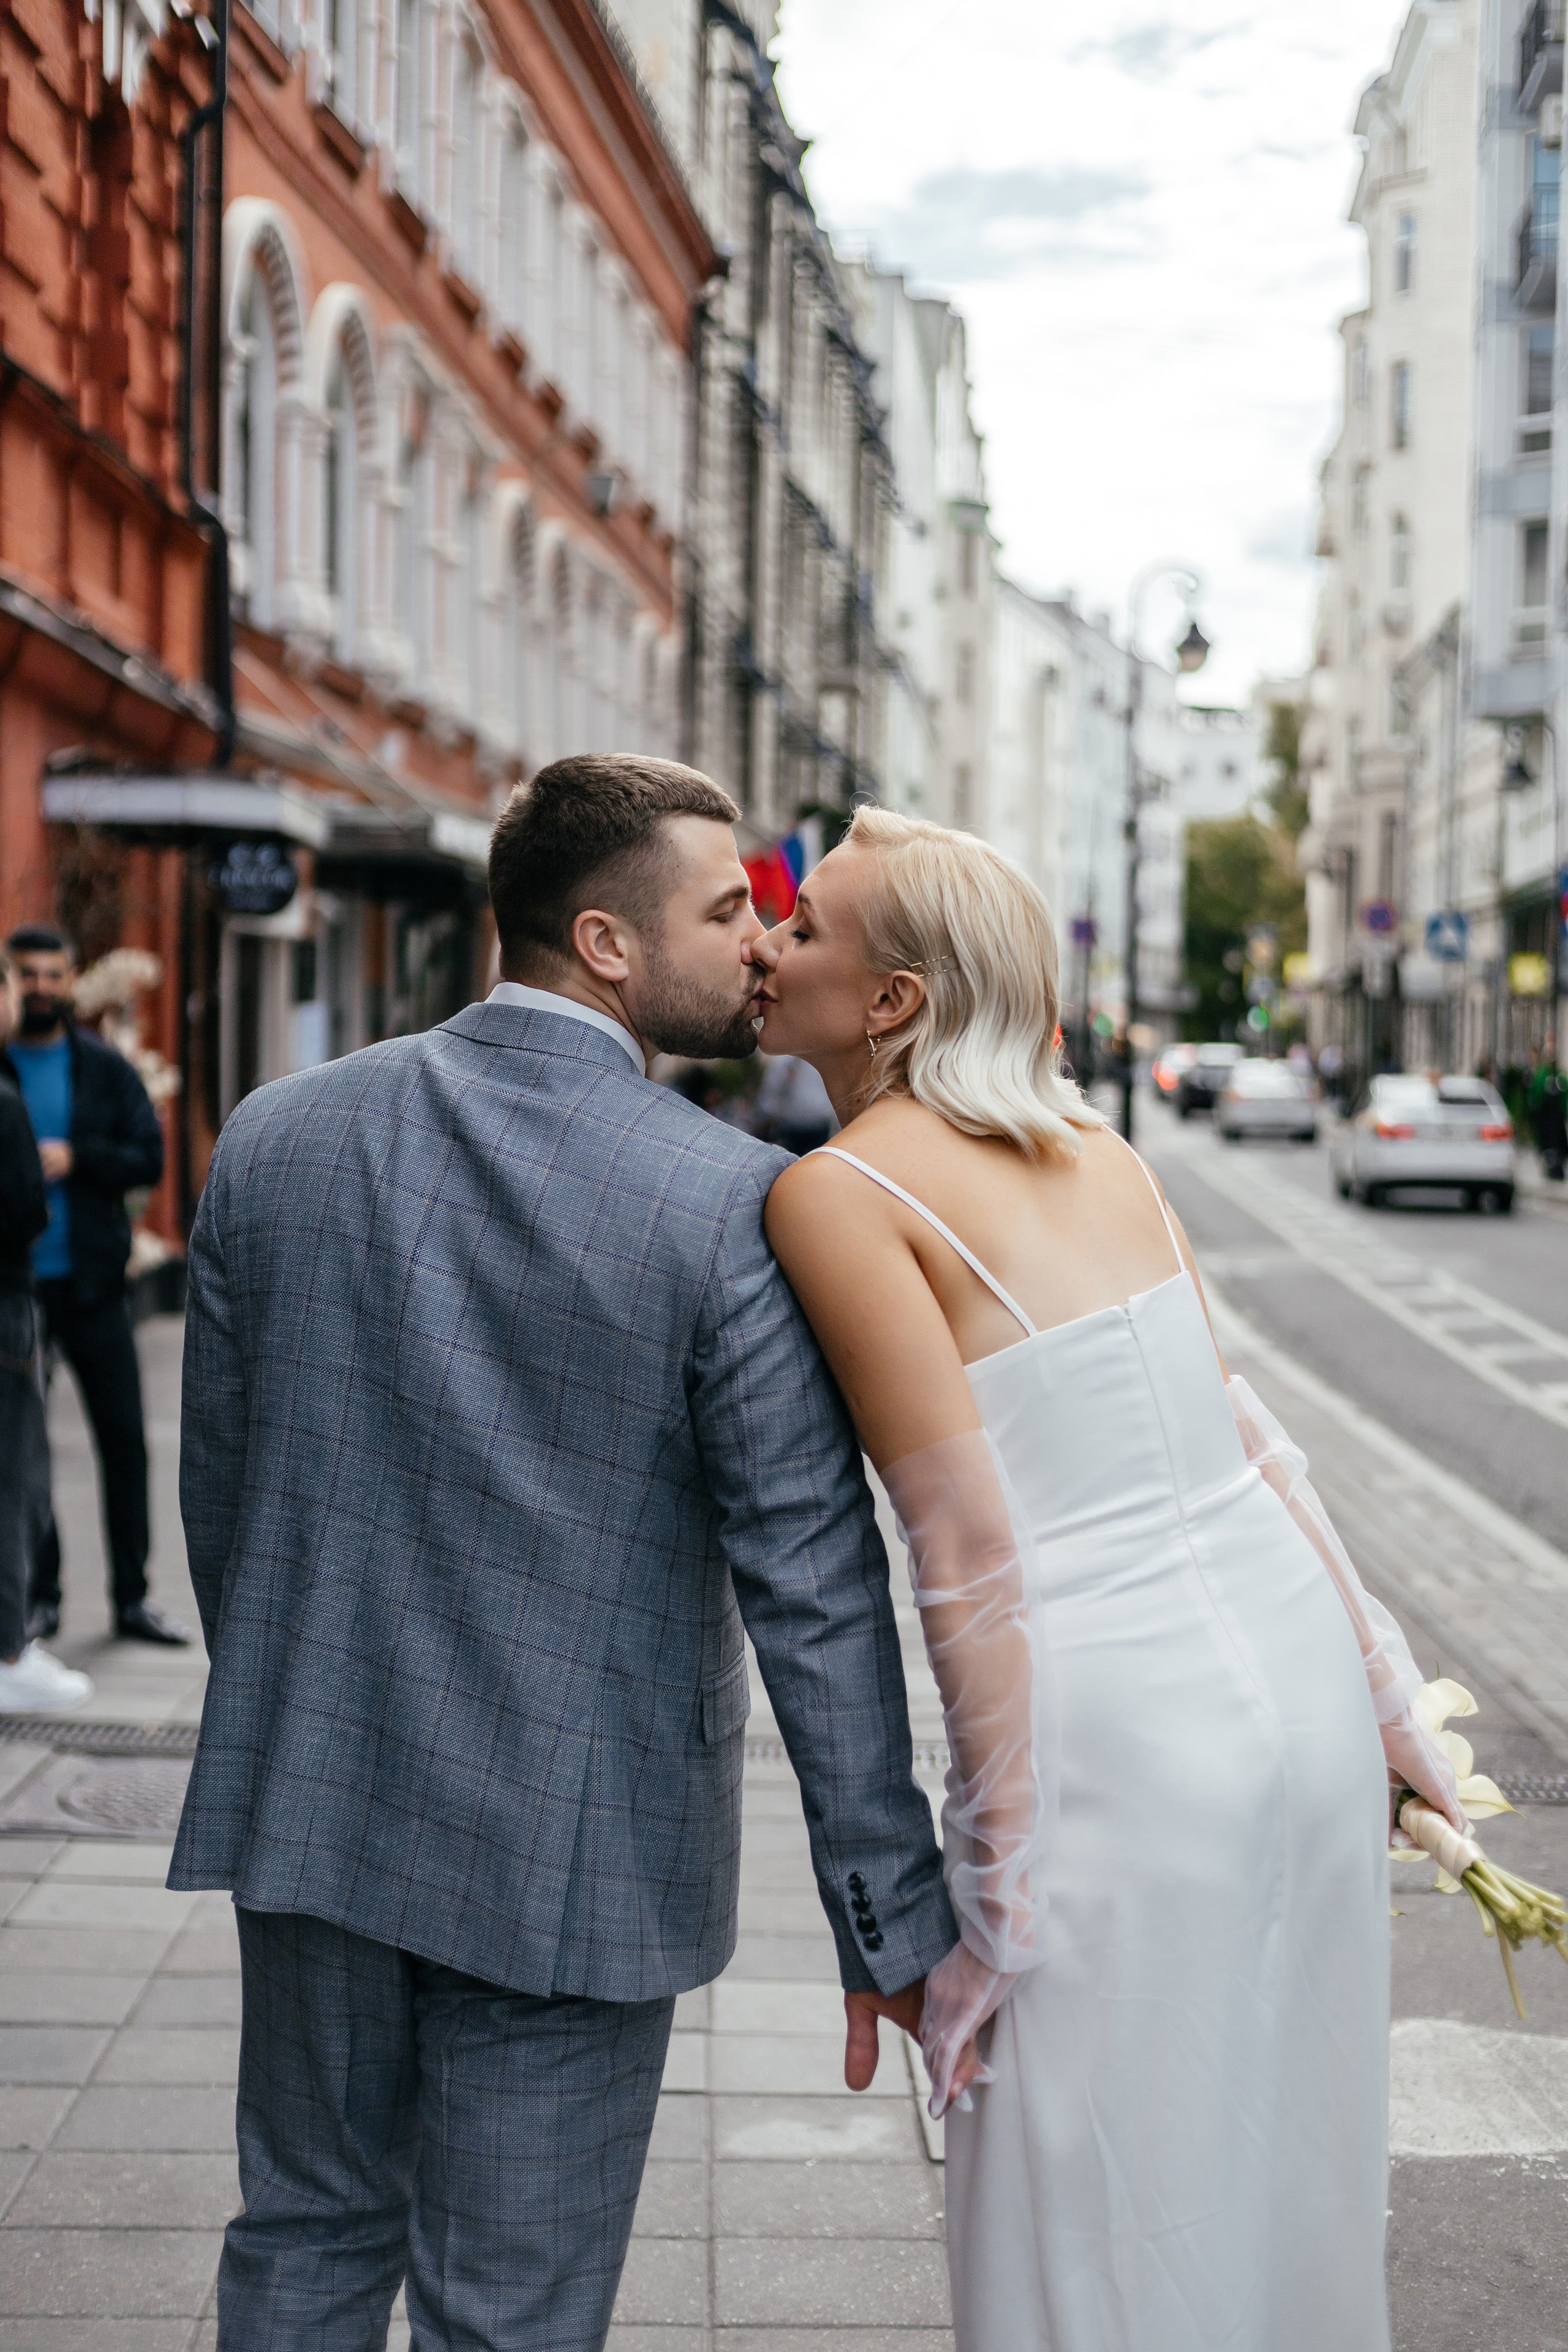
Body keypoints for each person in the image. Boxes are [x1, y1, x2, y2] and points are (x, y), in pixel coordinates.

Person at [171, 755, 954, 2350]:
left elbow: (226, 1501)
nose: (764, 937)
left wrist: (301, 1709)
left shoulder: (277, 1136)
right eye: (731, 905)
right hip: (577, 1853)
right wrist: (891, 1919)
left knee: (306, 2237)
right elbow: (813, 1583)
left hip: (313, 1809)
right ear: (606, 945)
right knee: (511, 2315)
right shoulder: (740, 1205)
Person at [750, 807, 1463, 2352]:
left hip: (1113, 1746)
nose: (766, 938)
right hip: (1284, 1696)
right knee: (1280, 2152)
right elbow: (1258, 1448)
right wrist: (1384, 1695)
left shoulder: (839, 1191)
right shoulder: (1099, 1148)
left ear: (890, 1001)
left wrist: (990, 1906)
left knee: (1090, 2197)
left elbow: (964, 1557)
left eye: (804, 923)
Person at [2, 925, 187, 1645]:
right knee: (25, 1453)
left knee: (123, 1443)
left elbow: (148, 1158)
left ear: (72, 978)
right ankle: (41, 1597)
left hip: (92, 1287)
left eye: (54, 974)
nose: (43, 987)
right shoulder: (2, 1070)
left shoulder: (105, 1069)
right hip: (17, 1296)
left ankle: (132, 1598)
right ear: (13, 983)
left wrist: (77, 1156)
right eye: (29, 975)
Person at [0, 946, 92, 1713]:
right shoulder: (4, 1098)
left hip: (80, 1291)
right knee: (13, 1478)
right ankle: (8, 1650)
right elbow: (26, 1208)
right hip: (8, 1309)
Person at [754, 1050, 837, 1154]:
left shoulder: (823, 1059)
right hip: (792, 1124)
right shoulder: (784, 1061)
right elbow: (772, 1089)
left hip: (818, 1123)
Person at [1527, 1031, 1566, 1182]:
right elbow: (1535, 1096)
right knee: (1547, 1144)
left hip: (1556, 1120)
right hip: (1546, 1119)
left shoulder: (1559, 1076)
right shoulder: (1542, 1075)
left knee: (1556, 1144)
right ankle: (1551, 1167)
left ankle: (1556, 1168)